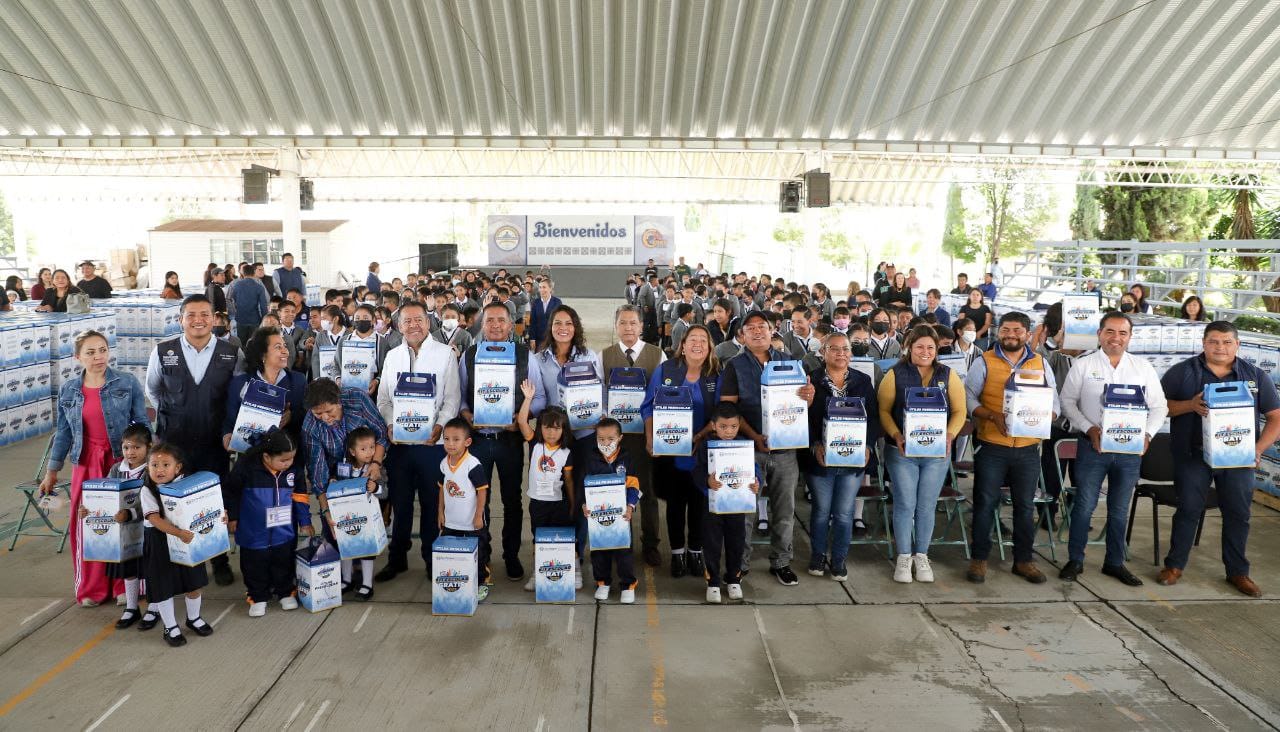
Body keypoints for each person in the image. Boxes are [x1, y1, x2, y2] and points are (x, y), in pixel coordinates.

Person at [1158, 321, 1280, 597]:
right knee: (1189, 508)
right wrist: (1189, 405)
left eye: (1227, 342)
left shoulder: (1255, 377)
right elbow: (1159, 407)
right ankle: (1174, 565)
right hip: (1194, 455)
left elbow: (1275, 418)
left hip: (1238, 458)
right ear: (1203, 343)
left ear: (1237, 345)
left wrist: (1258, 449)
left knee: (1238, 513)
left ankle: (1238, 572)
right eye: (1214, 341)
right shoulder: (1182, 373)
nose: (1220, 347)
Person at [1058, 312, 1168, 586]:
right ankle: (1076, 559)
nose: (1115, 338)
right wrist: (1089, 428)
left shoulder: (1142, 368)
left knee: (1119, 509)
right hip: (1092, 448)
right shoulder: (1083, 365)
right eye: (1110, 332)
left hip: (1129, 452)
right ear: (1099, 334)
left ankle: (1114, 562)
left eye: (1122, 333)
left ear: (1130, 337)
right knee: (1084, 506)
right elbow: (1067, 402)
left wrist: (1147, 435)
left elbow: (1159, 407)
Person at [41, 330, 147, 607]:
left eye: (102, 350)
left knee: (123, 521)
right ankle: (92, 587)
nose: (98, 356)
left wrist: (142, 460)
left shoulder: (128, 382)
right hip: (86, 464)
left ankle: (125, 585)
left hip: (120, 462)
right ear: (77, 357)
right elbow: (63, 433)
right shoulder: (68, 390)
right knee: (89, 523)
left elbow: (142, 425)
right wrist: (52, 471)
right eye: (90, 352)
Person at [146, 294, 242, 586]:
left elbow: (237, 396)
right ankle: (176, 560)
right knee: (172, 502)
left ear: (215, 319)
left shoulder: (231, 352)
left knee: (214, 499)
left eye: (204, 314)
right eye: (191, 315)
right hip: (174, 443)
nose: (198, 320)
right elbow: (153, 391)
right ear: (181, 319)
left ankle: (218, 559)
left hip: (214, 442)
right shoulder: (163, 351)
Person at [718, 311, 816, 586]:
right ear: (743, 335)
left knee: (784, 511)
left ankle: (781, 562)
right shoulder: (734, 367)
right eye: (751, 328)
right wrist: (754, 435)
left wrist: (809, 397)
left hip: (785, 451)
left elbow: (802, 403)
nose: (758, 332)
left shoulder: (791, 362)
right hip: (749, 449)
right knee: (745, 512)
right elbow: (728, 409)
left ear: (773, 330)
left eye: (763, 327)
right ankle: (741, 563)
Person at [964, 312, 1060, 585]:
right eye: (1005, 329)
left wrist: (1045, 418)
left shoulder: (1040, 362)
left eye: (1017, 330)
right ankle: (979, 559)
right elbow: (969, 396)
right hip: (992, 446)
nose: (1010, 334)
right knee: (984, 504)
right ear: (998, 332)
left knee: (1024, 505)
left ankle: (1024, 560)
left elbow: (1054, 403)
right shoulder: (984, 361)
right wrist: (991, 415)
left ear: (1027, 334)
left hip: (1028, 449)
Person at [373, 301, 461, 582]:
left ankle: (431, 558)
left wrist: (439, 426)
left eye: (418, 320)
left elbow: (452, 399)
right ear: (399, 327)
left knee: (431, 503)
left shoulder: (445, 354)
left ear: (428, 322)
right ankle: (397, 557)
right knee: (400, 504)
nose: (413, 325)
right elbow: (383, 399)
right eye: (407, 321)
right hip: (399, 446)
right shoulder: (392, 356)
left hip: (430, 446)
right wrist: (389, 424)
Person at [459, 302, 544, 582]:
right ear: (482, 325)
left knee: (512, 501)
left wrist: (520, 419)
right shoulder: (470, 356)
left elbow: (540, 397)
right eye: (490, 320)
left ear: (511, 325)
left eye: (501, 321)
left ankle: (511, 556)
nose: (495, 325)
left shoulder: (525, 356)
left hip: (509, 439)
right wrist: (468, 416)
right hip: (479, 440)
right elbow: (459, 398)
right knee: (478, 501)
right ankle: (482, 556)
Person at [879, 325, 967, 583]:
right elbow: (884, 410)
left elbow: (960, 411)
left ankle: (922, 555)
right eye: (919, 347)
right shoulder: (895, 374)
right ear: (909, 347)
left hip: (936, 454)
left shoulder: (948, 374)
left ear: (937, 348)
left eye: (930, 347)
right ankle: (904, 557)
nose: (925, 351)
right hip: (902, 452)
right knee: (905, 504)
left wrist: (949, 435)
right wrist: (896, 435)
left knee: (927, 506)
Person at [642, 324, 719, 578]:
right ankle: (677, 553)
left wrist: (699, 435)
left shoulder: (717, 374)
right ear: (682, 345)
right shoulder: (666, 370)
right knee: (675, 505)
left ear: (709, 348)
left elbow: (722, 414)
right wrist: (651, 438)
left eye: (703, 340)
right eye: (692, 339)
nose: (697, 344)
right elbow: (648, 406)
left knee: (699, 504)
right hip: (671, 452)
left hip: (702, 451)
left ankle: (696, 551)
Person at [804, 331, 878, 581]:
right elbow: (803, 419)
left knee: (845, 512)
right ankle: (817, 557)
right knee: (822, 511)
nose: (841, 354)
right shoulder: (810, 381)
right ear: (823, 353)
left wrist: (867, 445)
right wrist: (814, 445)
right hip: (821, 459)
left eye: (845, 349)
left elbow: (874, 419)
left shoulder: (863, 381)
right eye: (834, 349)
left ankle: (838, 560)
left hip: (853, 458)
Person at [602, 304, 666, 567]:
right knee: (616, 490)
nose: (628, 328)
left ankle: (651, 544)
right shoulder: (603, 356)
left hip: (644, 436)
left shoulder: (657, 355)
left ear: (641, 326)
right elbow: (600, 396)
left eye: (633, 323)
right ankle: (620, 541)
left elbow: (662, 397)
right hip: (614, 439)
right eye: (623, 323)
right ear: (616, 327)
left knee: (648, 491)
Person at [140, 443, 221, 647]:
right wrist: (177, 532)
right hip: (160, 542)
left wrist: (221, 516)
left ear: (178, 468)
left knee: (193, 582)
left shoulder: (189, 484)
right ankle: (170, 626)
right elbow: (156, 520)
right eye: (154, 465)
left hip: (187, 541)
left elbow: (206, 506)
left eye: (165, 464)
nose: (159, 470)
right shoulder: (147, 490)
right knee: (163, 586)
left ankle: (193, 618)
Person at [222, 429, 309, 617]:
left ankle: (285, 592)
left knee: (283, 560)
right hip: (253, 530)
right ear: (267, 457)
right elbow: (231, 492)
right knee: (254, 564)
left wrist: (305, 520)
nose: (288, 464)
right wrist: (234, 517)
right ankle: (258, 596)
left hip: (284, 530)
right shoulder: (246, 467)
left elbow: (301, 496)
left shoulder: (294, 470)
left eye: (292, 459)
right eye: (283, 460)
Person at [75, 423, 151, 627]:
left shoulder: (152, 470)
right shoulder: (117, 469)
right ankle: (132, 608)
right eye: (126, 447)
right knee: (129, 570)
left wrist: (130, 513)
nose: (131, 452)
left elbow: (157, 504)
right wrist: (88, 510)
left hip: (147, 530)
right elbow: (105, 497)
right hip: (124, 534)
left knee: (151, 570)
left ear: (148, 447)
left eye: (137, 447)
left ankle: (154, 608)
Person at [696, 402, 761, 603]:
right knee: (712, 543)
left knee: (736, 542)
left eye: (733, 427)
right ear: (713, 425)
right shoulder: (706, 445)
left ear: (739, 425)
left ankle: (734, 578)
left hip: (737, 505)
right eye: (723, 427)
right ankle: (713, 582)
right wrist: (707, 481)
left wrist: (756, 481)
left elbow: (753, 469)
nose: (729, 431)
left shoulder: (744, 445)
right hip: (713, 506)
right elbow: (697, 471)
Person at [517, 394, 577, 590]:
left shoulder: (566, 452)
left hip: (559, 502)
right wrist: (528, 399)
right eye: (547, 427)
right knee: (538, 539)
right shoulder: (535, 443)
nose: (551, 432)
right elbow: (521, 421)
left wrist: (573, 503)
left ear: (563, 429)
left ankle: (574, 571)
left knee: (565, 538)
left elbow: (568, 481)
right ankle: (538, 573)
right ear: (540, 427)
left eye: (557, 428)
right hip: (538, 503)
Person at [579, 418, 641, 604]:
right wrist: (584, 504)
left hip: (621, 514)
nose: (606, 443)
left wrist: (630, 507)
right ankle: (602, 582)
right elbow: (584, 485)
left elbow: (633, 485)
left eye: (610, 439)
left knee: (624, 551)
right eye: (601, 439)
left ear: (620, 438)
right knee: (599, 550)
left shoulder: (627, 457)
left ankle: (628, 584)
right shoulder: (590, 458)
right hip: (598, 516)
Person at [223, 326, 307, 449]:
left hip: (286, 455)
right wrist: (227, 435)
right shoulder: (240, 383)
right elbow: (229, 420)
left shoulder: (298, 381)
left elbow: (307, 416)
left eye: (285, 346)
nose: (286, 351)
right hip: (250, 453)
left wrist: (291, 416)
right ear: (262, 354)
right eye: (278, 347)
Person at [437, 417, 492, 602]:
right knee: (452, 554)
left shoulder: (472, 464)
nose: (450, 444)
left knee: (479, 555)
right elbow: (442, 489)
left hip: (471, 522)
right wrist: (440, 512)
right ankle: (459, 581)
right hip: (452, 521)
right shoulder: (444, 463)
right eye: (446, 439)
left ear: (467, 442)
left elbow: (482, 491)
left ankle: (482, 582)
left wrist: (478, 516)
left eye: (456, 439)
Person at [328, 427, 386, 599]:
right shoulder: (342, 467)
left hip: (367, 518)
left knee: (367, 550)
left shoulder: (376, 469)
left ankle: (367, 583)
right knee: (346, 547)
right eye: (363, 449)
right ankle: (347, 580)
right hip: (346, 516)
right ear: (352, 451)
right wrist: (333, 482)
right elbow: (334, 485)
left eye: (372, 448)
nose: (369, 452)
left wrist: (376, 488)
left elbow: (386, 493)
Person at [336, 304, 390, 398]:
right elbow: (336, 364)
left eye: (365, 318)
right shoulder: (344, 340)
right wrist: (338, 379)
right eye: (357, 318)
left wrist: (377, 380)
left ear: (373, 320)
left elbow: (387, 367)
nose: (361, 320)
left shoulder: (381, 342)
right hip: (347, 391)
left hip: (372, 392)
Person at [227, 263, 269, 343]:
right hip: (255, 319)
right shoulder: (259, 287)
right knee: (253, 343)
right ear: (253, 273)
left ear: (243, 273)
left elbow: (231, 299)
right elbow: (264, 306)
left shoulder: (236, 285)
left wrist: (235, 311)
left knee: (241, 342)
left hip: (240, 318)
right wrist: (264, 319)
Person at [528, 279, 562, 351]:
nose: (541, 290)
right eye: (540, 287)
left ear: (550, 288)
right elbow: (533, 322)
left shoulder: (557, 302)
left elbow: (560, 321)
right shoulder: (536, 302)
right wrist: (532, 339)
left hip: (553, 338)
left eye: (544, 287)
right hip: (539, 338)